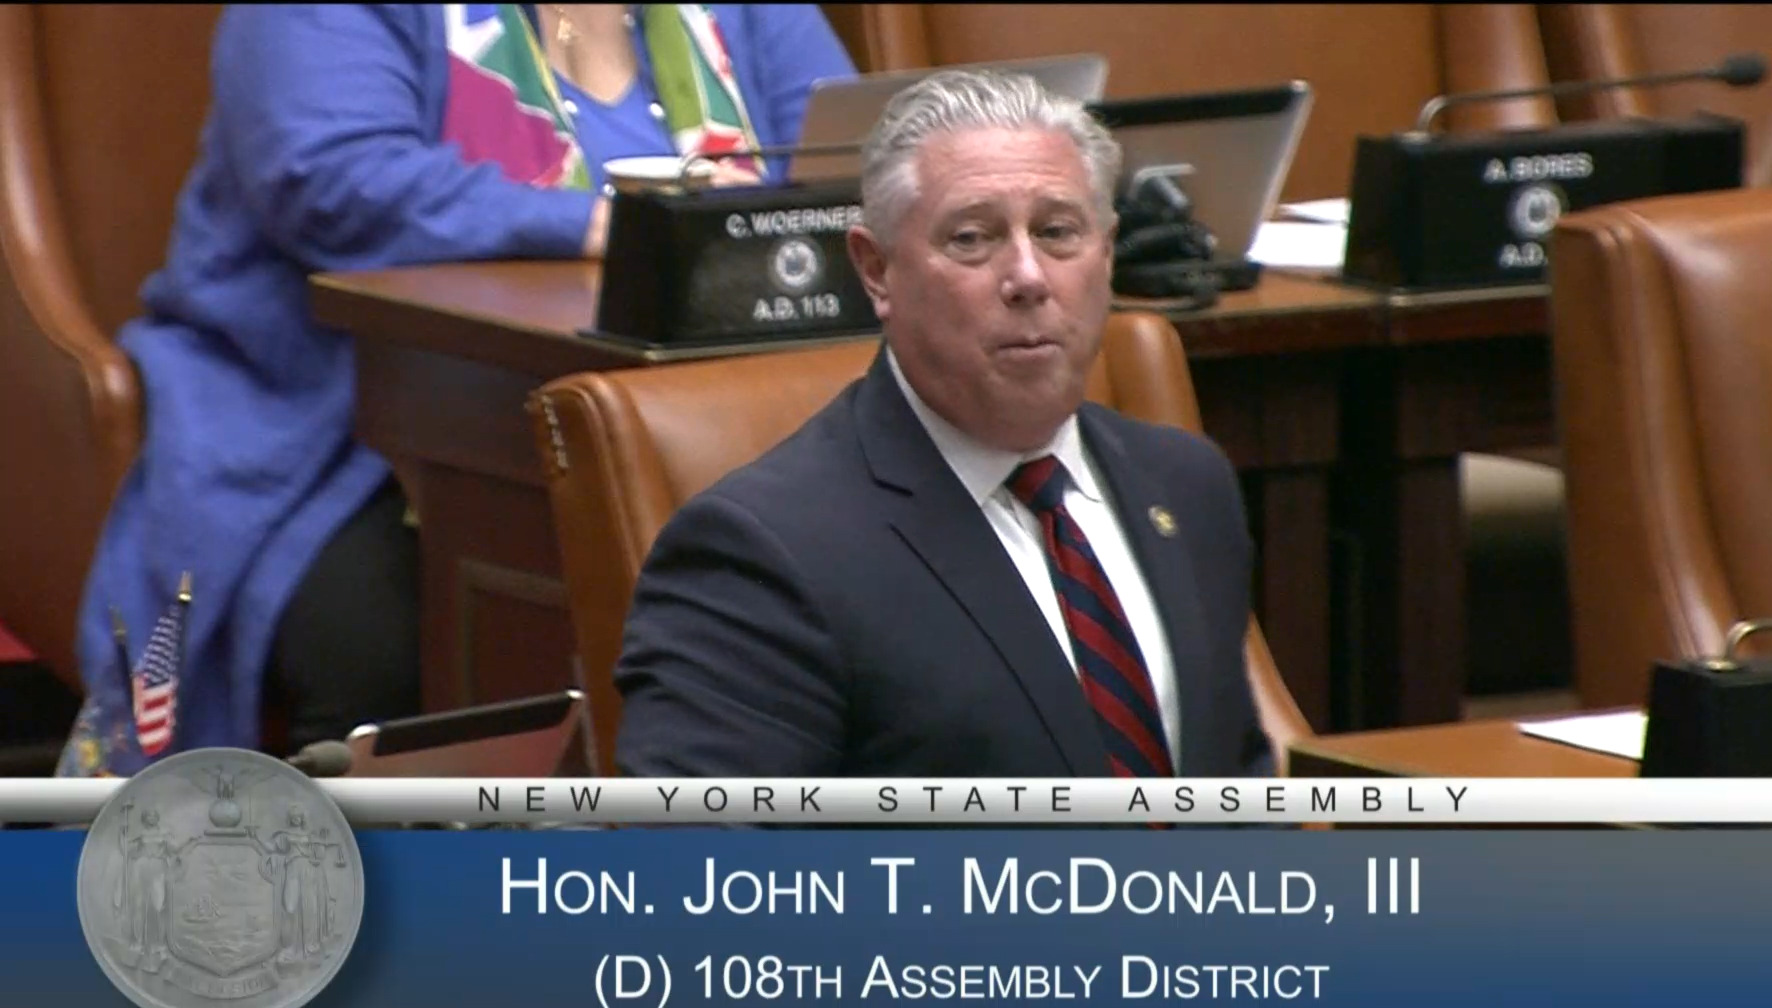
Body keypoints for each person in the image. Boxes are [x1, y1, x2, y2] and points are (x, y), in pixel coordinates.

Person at [63, 4, 855, 771]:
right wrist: (598, 226)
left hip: (730, 420)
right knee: (381, 644)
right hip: (342, 431)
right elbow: (332, 180)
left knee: (845, 593)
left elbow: (853, 165)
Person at [614, 69, 1274, 779]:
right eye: (972, 238)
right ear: (876, 270)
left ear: (1107, 253)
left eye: (1058, 233)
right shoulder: (759, 556)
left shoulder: (1185, 484)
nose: (1029, 277)